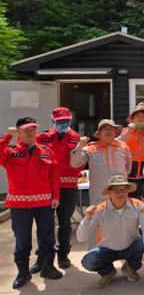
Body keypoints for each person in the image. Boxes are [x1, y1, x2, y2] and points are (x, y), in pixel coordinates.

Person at [1, 118, 63, 288]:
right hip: (20, 205)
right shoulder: (10, 151)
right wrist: (7, 136)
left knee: (47, 237)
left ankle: (47, 267)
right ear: (18, 132)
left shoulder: (46, 151)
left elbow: (54, 175)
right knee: (22, 240)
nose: (30, 133)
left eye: (33, 129)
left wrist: (56, 196)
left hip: (44, 203)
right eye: (26, 130)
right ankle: (23, 272)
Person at [77, 175, 144, 288]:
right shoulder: (99, 210)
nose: (120, 193)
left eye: (124, 189)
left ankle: (129, 267)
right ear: (109, 192)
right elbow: (81, 238)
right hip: (106, 249)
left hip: (131, 246)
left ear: (128, 191)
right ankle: (108, 272)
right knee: (89, 261)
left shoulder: (139, 205)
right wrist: (87, 218)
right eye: (116, 190)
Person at [36, 107, 82, 269]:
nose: (63, 124)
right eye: (60, 121)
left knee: (64, 223)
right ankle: (42, 257)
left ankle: (63, 255)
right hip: (46, 187)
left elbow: (80, 162)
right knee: (44, 225)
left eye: (66, 121)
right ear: (53, 121)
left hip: (68, 186)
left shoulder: (77, 138)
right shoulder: (42, 137)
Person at [71, 120, 132, 240]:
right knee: (97, 229)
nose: (108, 131)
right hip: (98, 196)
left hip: (120, 194)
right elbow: (75, 163)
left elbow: (128, 168)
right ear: (99, 133)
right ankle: (97, 251)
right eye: (105, 129)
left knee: (121, 227)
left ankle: (121, 249)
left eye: (111, 128)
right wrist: (80, 146)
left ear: (115, 132)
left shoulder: (123, 146)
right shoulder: (90, 147)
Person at [118, 103, 144, 195]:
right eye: (138, 116)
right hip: (128, 176)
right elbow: (119, 145)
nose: (141, 118)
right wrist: (129, 132)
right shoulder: (125, 131)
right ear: (132, 119)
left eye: (143, 116)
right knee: (129, 200)